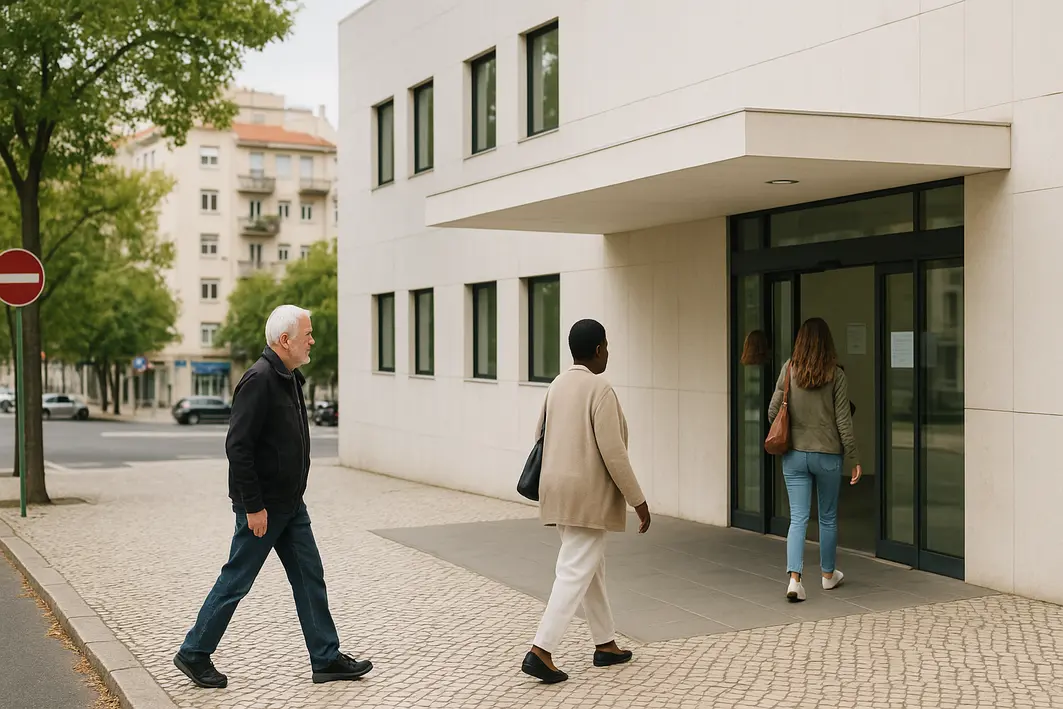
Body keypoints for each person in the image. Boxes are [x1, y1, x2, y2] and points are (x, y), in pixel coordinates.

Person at [173, 305, 372, 688]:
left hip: (291, 505)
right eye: (307, 334)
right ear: (285, 340)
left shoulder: (289, 377)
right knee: (237, 580)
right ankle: (194, 652)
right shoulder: (259, 379)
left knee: (310, 577)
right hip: (264, 507)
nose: (312, 340)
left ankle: (325, 658)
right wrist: (253, 506)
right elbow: (238, 447)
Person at [522, 319, 651, 685]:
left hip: (557, 491)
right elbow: (614, 452)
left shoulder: (556, 385)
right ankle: (541, 650)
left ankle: (605, 643)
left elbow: (539, 435)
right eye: (606, 346)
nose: (608, 352)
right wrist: (638, 500)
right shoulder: (600, 389)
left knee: (589, 567)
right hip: (588, 496)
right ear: (597, 350)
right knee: (574, 569)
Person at [767, 317, 861, 602]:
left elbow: (772, 412)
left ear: (800, 342)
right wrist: (853, 456)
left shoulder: (789, 370)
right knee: (828, 517)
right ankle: (828, 575)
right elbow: (843, 421)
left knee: (798, 518)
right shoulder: (836, 375)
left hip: (794, 455)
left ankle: (794, 581)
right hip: (827, 455)